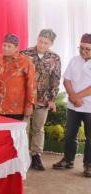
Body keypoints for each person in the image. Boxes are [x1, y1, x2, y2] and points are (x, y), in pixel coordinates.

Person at [21, 29, 61, 171]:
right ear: (37, 38)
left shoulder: (54, 58)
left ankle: (36, 156)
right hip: (24, 99)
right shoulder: (24, 54)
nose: (42, 45)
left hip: (43, 99)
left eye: (46, 43)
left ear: (51, 43)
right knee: (23, 128)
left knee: (38, 128)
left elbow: (55, 79)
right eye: (40, 41)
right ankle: (22, 156)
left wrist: (52, 98)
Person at [53, 33, 91, 178]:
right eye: (81, 48)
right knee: (70, 134)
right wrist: (72, 96)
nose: (83, 52)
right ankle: (68, 160)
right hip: (73, 106)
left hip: (89, 107)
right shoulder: (75, 60)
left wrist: (77, 96)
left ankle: (89, 165)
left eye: (87, 49)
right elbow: (66, 79)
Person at [0, 33, 36, 120]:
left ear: (16, 48)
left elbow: (31, 85)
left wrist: (29, 105)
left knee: (14, 133)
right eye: (4, 45)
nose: (5, 48)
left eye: (9, 46)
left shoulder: (26, 62)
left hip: (16, 109)